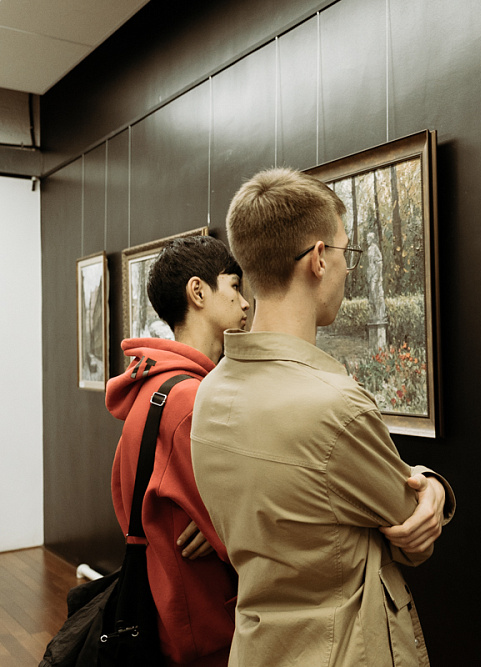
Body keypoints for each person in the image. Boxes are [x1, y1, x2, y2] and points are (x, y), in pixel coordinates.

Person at [190, 168, 455, 667]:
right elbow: (414, 536)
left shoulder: (209, 392)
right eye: (345, 253)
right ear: (318, 258)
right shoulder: (335, 408)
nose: (347, 268)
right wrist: (433, 486)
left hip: (256, 649)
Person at [107, 235, 249, 667]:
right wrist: (219, 525)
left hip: (171, 613)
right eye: (235, 286)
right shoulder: (189, 400)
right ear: (198, 292)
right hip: (206, 628)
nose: (246, 303)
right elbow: (245, 532)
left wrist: (212, 522)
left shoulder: (153, 388)